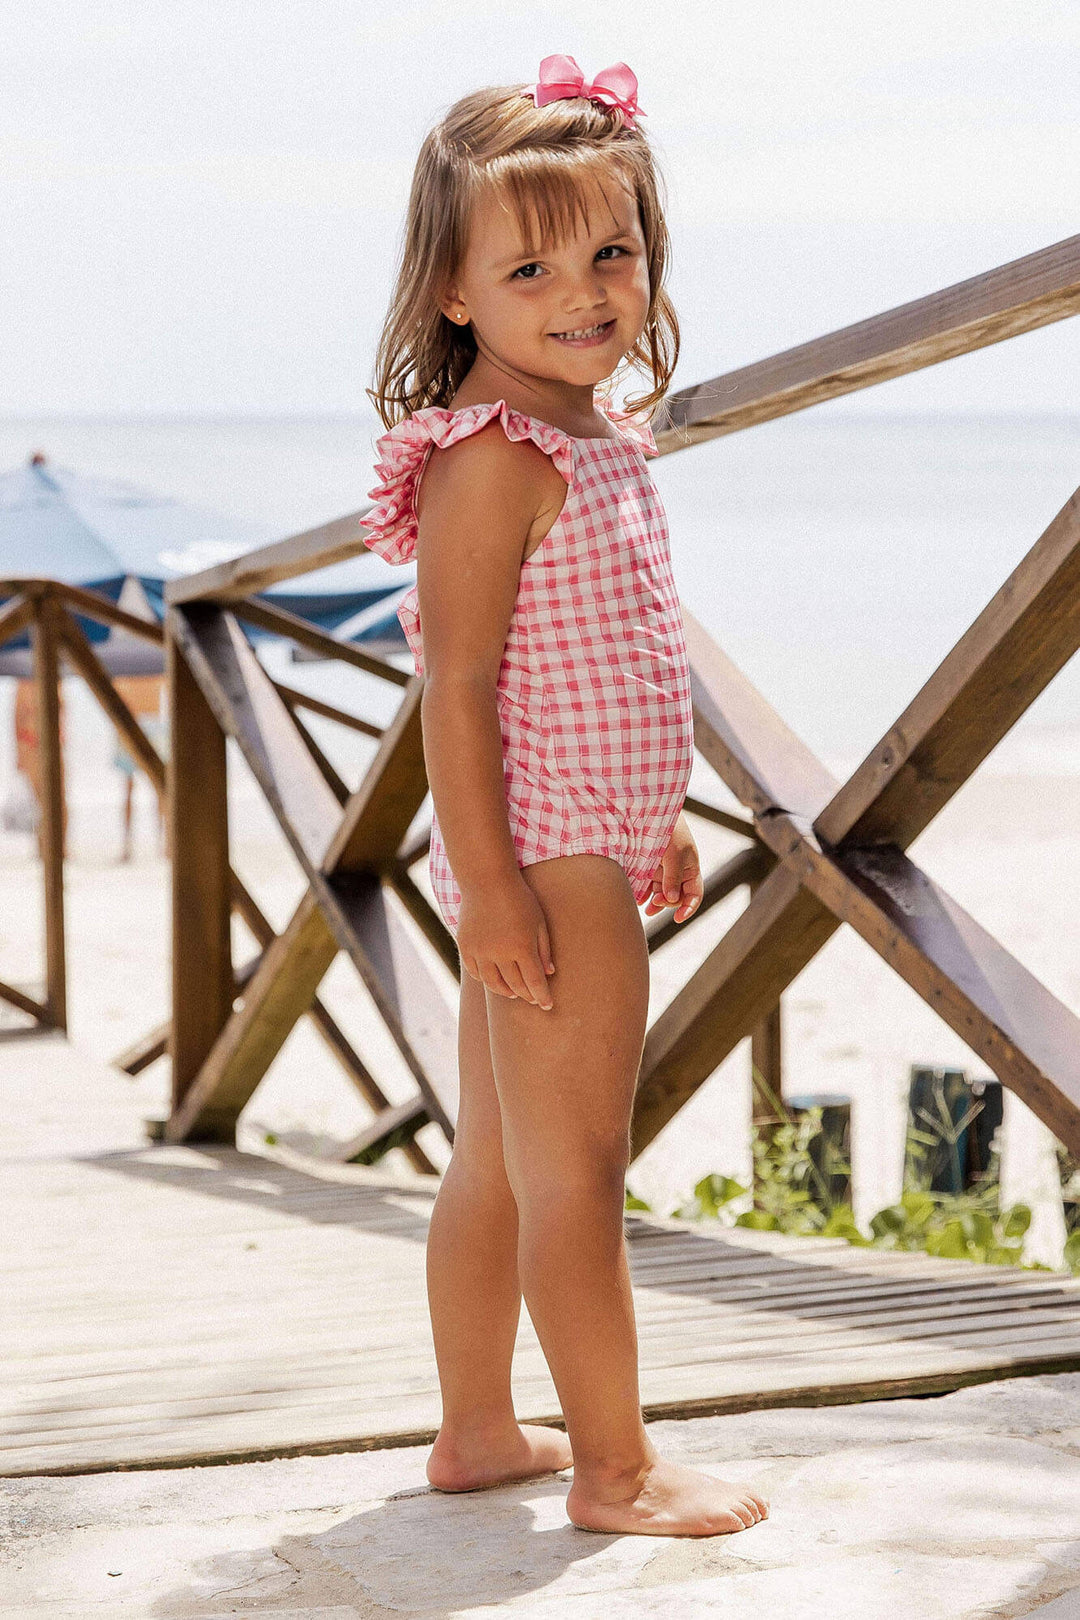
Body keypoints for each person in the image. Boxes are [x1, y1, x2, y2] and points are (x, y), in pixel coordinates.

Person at [362, 56, 770, 1538]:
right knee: (578, 1171)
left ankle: (479, 1430)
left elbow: (586, 661)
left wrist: (650, 808)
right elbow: (455, 689)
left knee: (499, 1155)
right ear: (455, 292)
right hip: (545, 865)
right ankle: (616, 1466)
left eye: (613, 249)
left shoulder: (584, 435)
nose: (583, 290)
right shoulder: (493, 460)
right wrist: (499, 892)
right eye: (528, 265)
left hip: (579, 837)